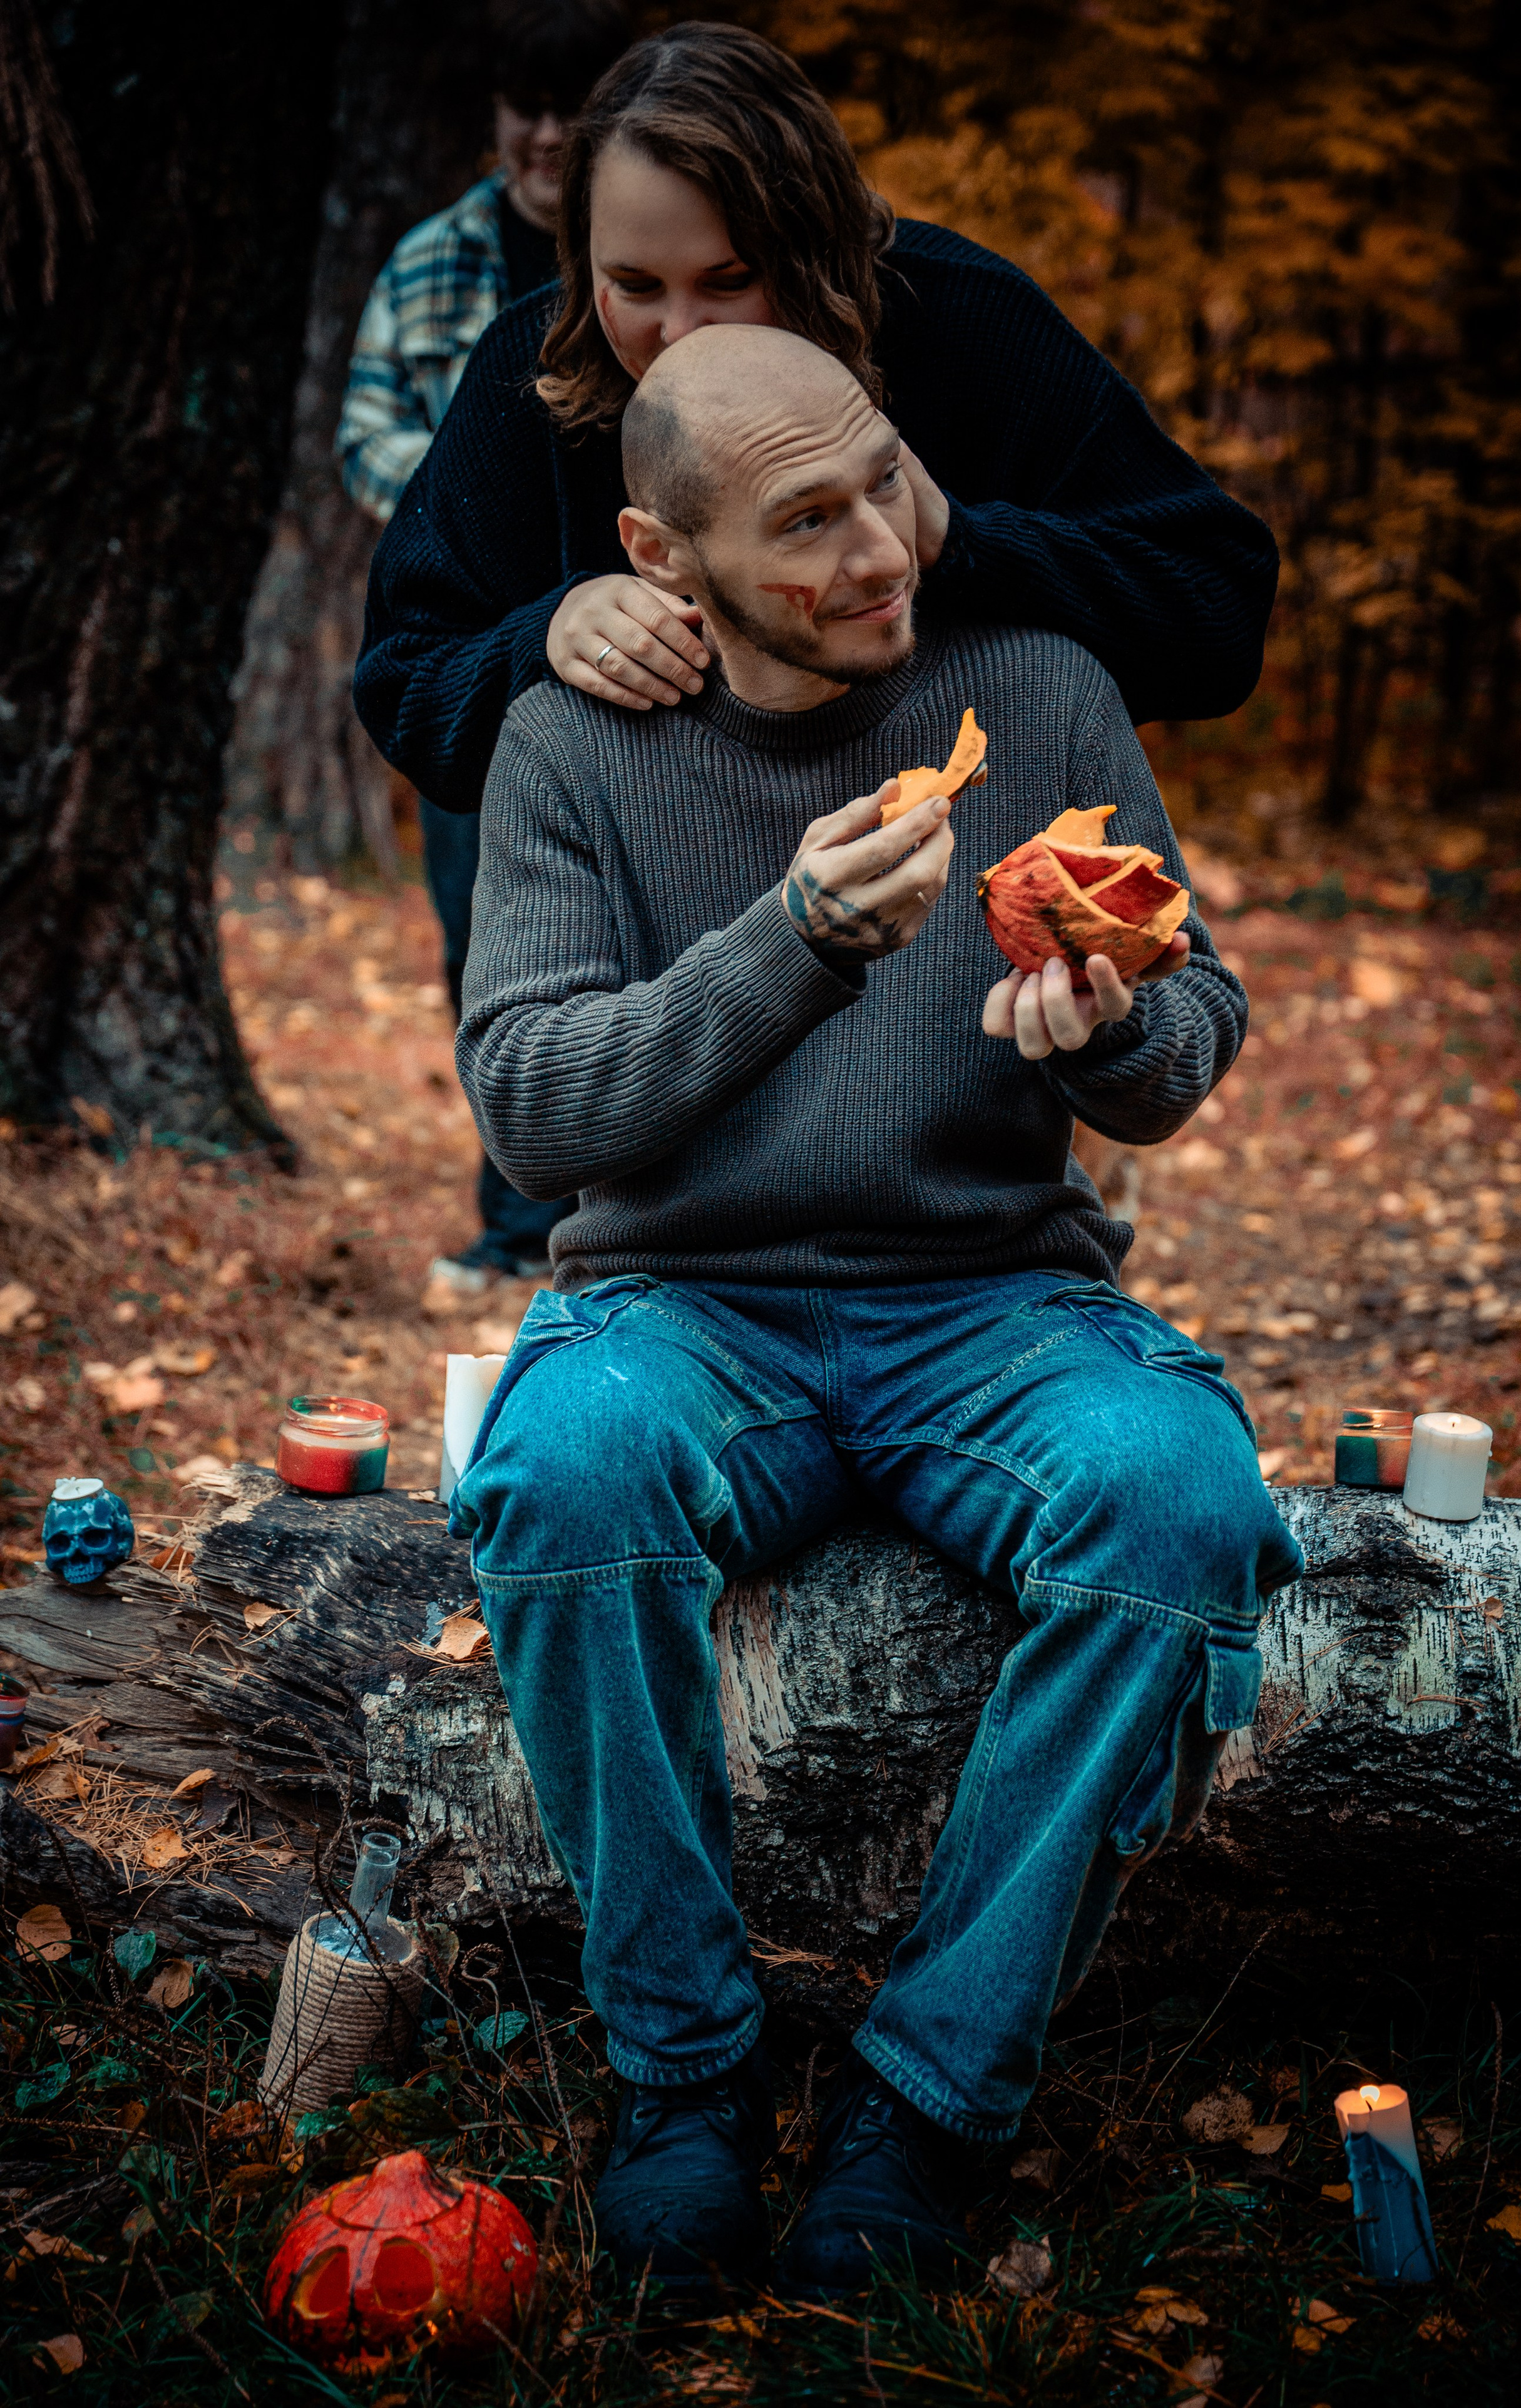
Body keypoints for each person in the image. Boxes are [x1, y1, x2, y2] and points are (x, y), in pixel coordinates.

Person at [446, 322, 1303, 2300]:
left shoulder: (1043, 690)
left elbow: (1190, 1041)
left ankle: (929, 2099)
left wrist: (1111, 1031)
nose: (877, 554)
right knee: (559, 1469)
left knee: (1178, 1501)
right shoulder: (573, 742)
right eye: (804, 522)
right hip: (682, 1305)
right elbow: (539, 1106)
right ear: (671, 559)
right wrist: (797, 944)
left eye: (883, 484)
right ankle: (684, 2079)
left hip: (991, 1305)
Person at [352, 20, 1282, 824]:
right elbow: (405, 689)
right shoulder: (536, 374)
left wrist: (960, 545)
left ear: (820, 249)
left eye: (729, 281)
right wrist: (546, 636)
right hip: (665, 944)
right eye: (634, 286)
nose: (677, 334)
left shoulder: (963, 323)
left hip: (965, 897)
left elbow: (1216, 619)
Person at [337, 0, 633, 1298]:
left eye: (575, 108)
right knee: (487, 940)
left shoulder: (663, 240)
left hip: (645, 660)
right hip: (487, 664)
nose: (547, 136)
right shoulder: (432, 262)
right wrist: (485, 496)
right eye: (527, 108)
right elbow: (366, 440)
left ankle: (627, 1219)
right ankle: (516, 1223)